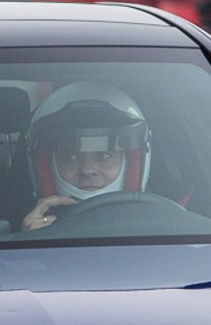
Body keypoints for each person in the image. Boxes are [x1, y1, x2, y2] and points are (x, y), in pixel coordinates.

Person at [18, 82, 152, 232]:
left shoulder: (158, 228)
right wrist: (32, 240)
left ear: (131, 163)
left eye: (104, 156)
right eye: (71, 157)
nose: (87, 170)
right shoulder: (29, 229)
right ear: (47, 166)